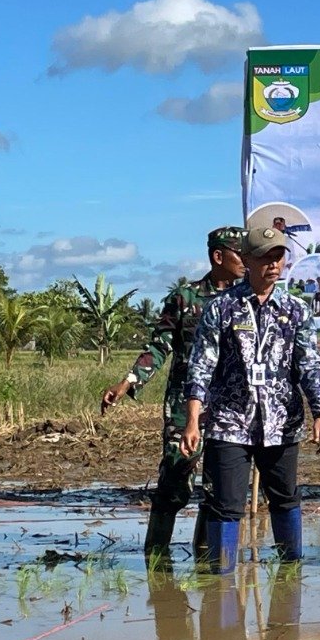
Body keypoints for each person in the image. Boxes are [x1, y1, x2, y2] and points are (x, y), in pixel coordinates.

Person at [182, 225, 320, 573]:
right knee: (225, 505)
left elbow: (309, 364)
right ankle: (222, 595)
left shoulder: (296, 310)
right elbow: (202, 365)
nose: (273, 264)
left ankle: (289, 582)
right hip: (229, 422)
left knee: (284, 500)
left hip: (281, 423)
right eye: (265, 257)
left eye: (278, 257)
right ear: (247, 260)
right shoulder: (222, 308)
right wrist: (193, 418)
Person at [101, 225, 245, 563]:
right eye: (239, 253)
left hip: (231, 407)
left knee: (219, 485)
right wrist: (127, 382)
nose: (245, 260)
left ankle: (208, 560)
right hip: (185, 404)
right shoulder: (185, 298)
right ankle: (157, 557)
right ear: (218, 256)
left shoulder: (246, 300)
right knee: (177, 475)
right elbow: (159, 346)